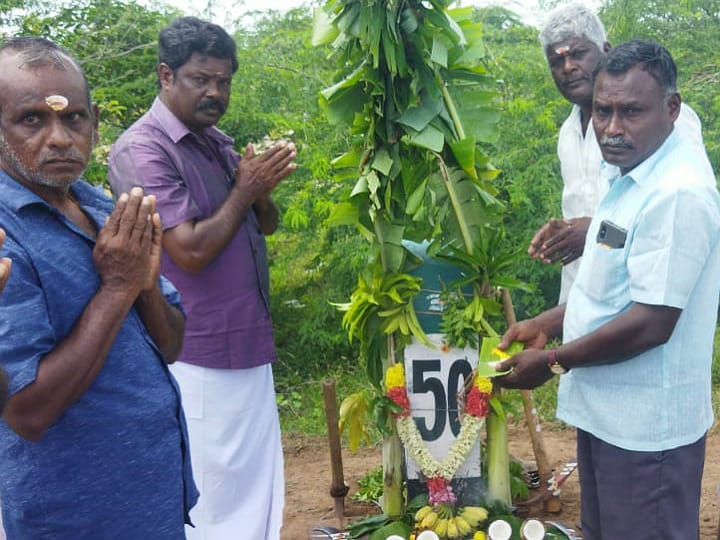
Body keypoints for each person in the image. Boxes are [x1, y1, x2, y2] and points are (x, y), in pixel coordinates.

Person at [497, 40, 720, 540]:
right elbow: (609, 285)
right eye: (603, 111)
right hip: (608, 416)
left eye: (631, 112)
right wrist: (545, 324)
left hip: (647, 433)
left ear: (672, 109)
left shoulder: (677, 193)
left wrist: (554, 361)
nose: (613, 129)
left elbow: (651, 322)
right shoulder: (628, 175)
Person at [0, 36, 198, 538]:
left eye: (74, 118)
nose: (61, 138)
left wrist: (143, 285)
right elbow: (28, 411)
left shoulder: (102, 207)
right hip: (75, 514)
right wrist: (115, 289)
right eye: (32, 119)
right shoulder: (6, 236)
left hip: (152, 491)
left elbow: (172, 345)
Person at [108, 17, 296, 539]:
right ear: (166, 76)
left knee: (254, 487)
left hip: (247, 340)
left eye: (224, 80)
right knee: (209, 495)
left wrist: (257, 184)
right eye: (201, 79)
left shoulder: (215, 139)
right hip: (194, 350)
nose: (215, 91)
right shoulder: (142, 149)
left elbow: (267, 222)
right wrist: (244, 189)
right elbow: (188, 251)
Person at [528, 4, 706, 303]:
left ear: (606, 51)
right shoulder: (568, 133)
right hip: (580, 305)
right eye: (557, 61)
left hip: (639, 309)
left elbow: (673, 225)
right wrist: (564, 233)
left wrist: (593, 231)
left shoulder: (664, 119)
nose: (568, 67)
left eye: (578, 54)